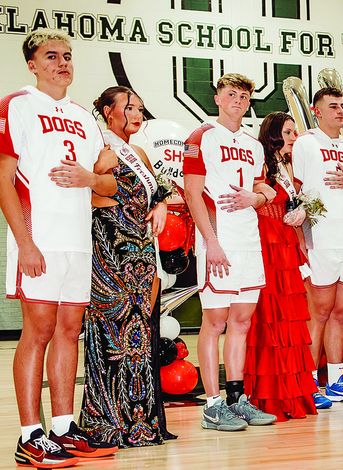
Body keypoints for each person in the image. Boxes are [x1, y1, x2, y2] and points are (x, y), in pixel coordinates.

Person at [2, 29, 119, 467]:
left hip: (77, 241)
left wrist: (91, 179)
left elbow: (107, 183)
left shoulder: (84, 116)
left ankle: (63, 428)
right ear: (32, 64)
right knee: (39, 331)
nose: (62, 63)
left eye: (67, 55)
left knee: (70, 331)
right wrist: (25, 243)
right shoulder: (18, 105)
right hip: (40, 238)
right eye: (51, 56)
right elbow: (4, 179)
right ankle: (30, 436)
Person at [184, 73, 279, 431]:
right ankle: (212, 405)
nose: (238, 100)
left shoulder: (253, 145)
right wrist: (211, 242)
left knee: (241, 322)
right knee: (216, 322)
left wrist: (259, 195)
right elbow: (192, 193)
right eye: (231, 94)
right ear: (218, 98)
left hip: (248, 240)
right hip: (218, 239)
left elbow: (260, 186)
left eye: (243, 95)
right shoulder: (201, 136)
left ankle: (238, 400)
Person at [80, 86, 174, 447]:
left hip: (141, 252)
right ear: (107, 111)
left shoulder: (137, 152)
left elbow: (159, 192)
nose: (137, 115)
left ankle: (142, 422)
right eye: (129, 108)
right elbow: (88, 188)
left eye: (140, 109)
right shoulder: (97, 146)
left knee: (140, 333)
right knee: (112, 334)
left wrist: (162, 204)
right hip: (109, 247)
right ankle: (108, 421)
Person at [291, 87, 343, 406]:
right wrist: (302, 242)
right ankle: (310, 383)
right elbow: (294, 192)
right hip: (320, 240)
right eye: (333, 106)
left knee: (341, 313)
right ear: (317, 111)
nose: (340, 111)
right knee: (319, 313)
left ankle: (337, 381)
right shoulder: (305, 143)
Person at [244, 111, 319, 420]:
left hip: (287, 244)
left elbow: (299, 203)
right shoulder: (261, 164)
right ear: (274, 134)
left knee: (290, 319)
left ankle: (293, 391)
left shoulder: (289, 169)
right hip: (268, 243)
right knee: (270, 317)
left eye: (294, 132)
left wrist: (304, 213)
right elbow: (258, 200)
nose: (293, 137)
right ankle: (270, 394)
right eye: (288, 132)